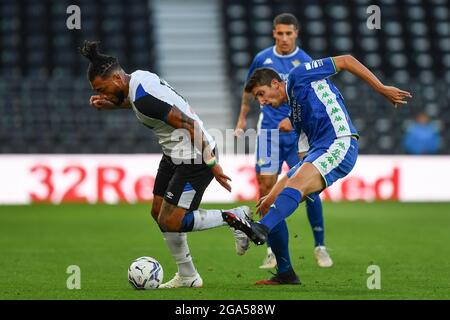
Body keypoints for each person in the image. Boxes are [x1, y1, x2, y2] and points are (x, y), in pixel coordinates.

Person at [223, 55, 412, 284]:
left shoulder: (297, 76)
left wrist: (381, 89)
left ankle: (261, 229)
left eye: (261, 94)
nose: (261, 102)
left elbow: (346, 60)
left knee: (290, 191)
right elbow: (302, 166)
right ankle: (285, 273)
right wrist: (270, 198)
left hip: (340, 142)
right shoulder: (295, 117)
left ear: (275, 83)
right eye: (257, 99)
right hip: (319, 151)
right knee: (272, 202)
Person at [79, 41, 253, 288]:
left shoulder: (144, 99)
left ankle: (233, 216)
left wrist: (212, 162)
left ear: (117, 78)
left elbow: (190, 125)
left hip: (195, 154)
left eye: (102, 88)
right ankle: (188, 276)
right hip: (174, 153)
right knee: (158, 212)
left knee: (172, 220)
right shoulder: (137, 79)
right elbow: (142, 104)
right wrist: (110, 104)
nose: (103, 93)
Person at [234, 13, 332, 270]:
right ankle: (270, 249)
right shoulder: (262, 59)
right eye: (280, 33)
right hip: (268, 132)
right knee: (265, 187)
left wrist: (299, 121)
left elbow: (315, 95)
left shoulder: (305, 61)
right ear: (274, 34)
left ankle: (320, 246)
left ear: (296, 33)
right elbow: (248, 91)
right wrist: (242, 119)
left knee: (309, 187)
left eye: (289, 33)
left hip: (298, 132)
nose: (285, 38)